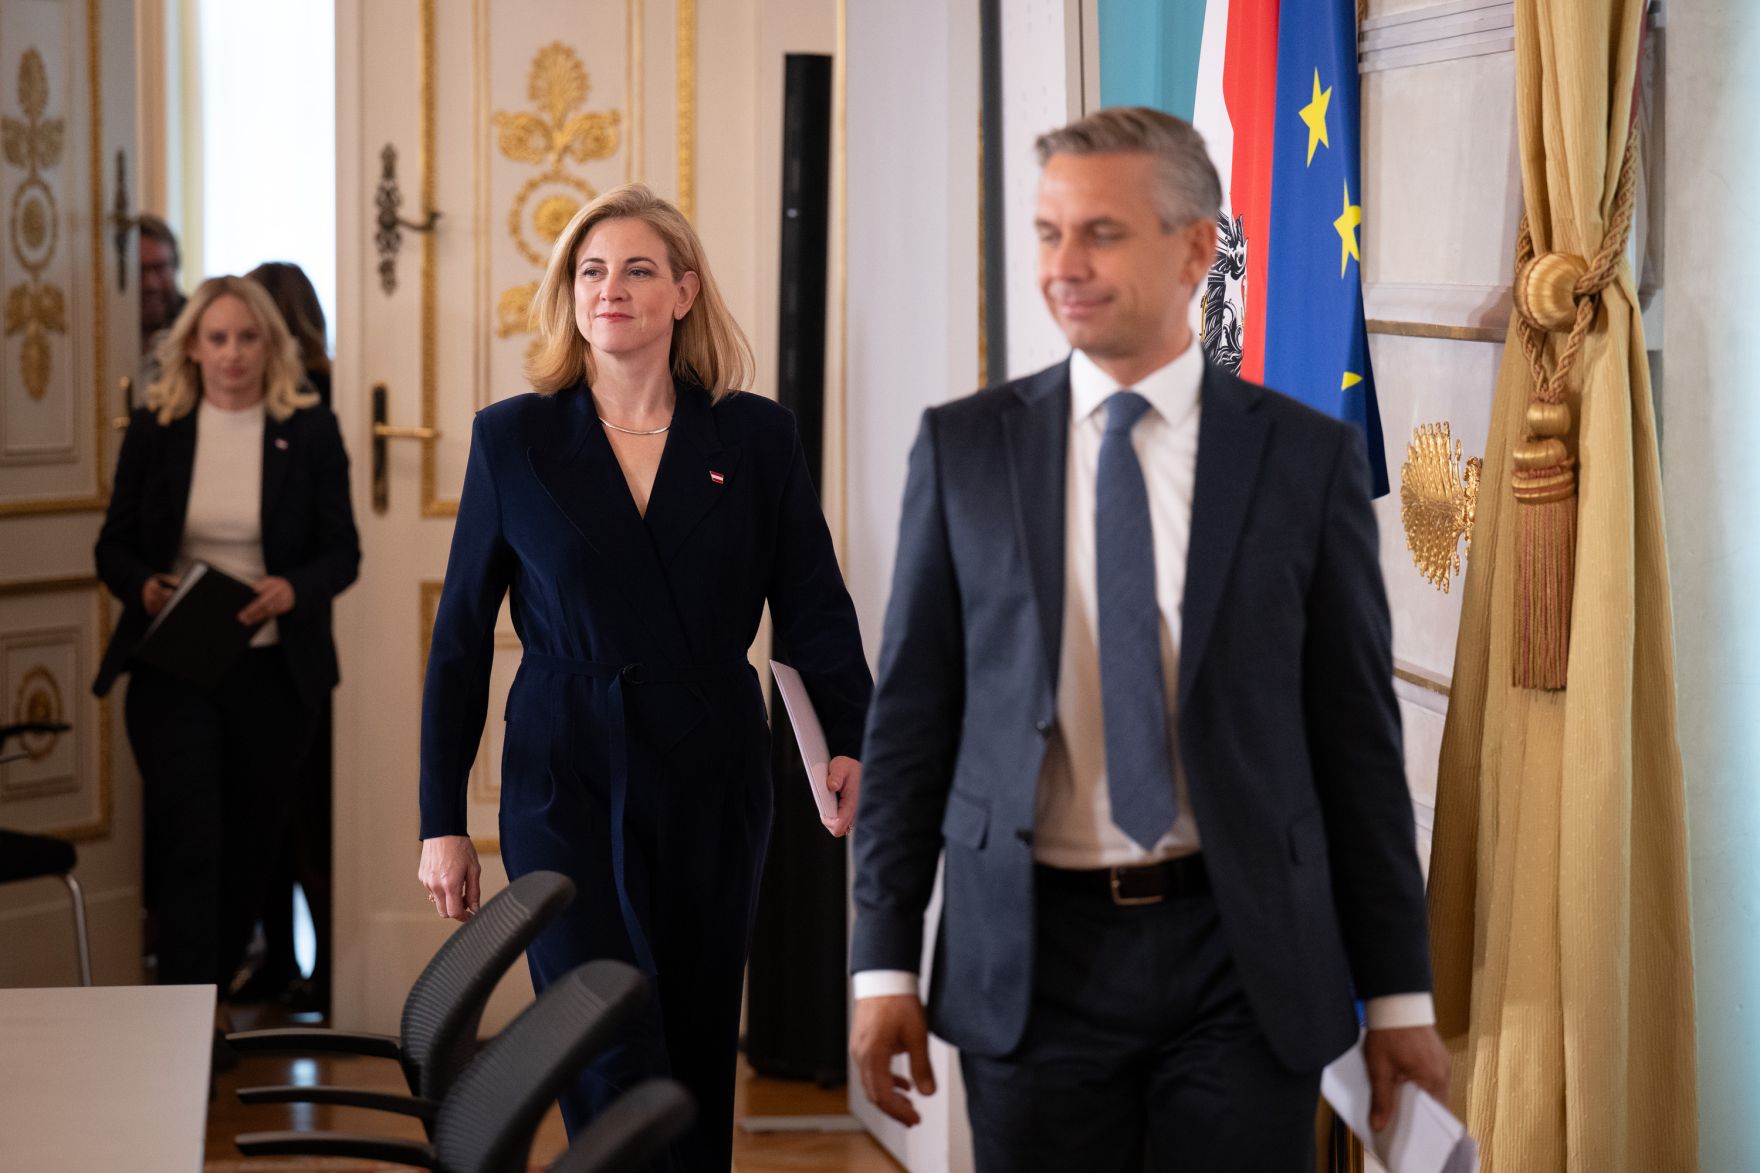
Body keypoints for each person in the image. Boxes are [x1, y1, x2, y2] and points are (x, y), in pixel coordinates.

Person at [849, 107, 1448, 1171]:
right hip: (1029, 961)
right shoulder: (964, 451)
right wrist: (881, 969)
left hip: (1242, 955)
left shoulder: (1302, 464)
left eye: (1101, 233)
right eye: (1046, 233)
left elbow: (1354, 745)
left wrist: (1396, 992)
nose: (1063, 266)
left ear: (1193, 247)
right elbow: (908, 733)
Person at [418, 182, 871, 1167]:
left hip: (712, 768)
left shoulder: (754, 437)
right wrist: (441, 820)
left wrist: (846, 738)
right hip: (562, 775)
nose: (609, 288)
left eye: (635, 269)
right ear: (567, 295)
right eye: (590, 271)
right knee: (600, 1045)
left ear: (682, 292)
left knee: (697, 1051)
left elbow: (812, 605)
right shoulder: (513, 438)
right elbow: (458, 641)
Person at [93, 276, 360, 1039]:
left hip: (275, 670)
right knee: (190, 840)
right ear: (192, 348)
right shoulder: (159, 427)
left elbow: (342, 552)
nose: (233, 354)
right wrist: (145, 586)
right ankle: (186, 1026)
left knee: (250, 843)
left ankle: (208, 1002)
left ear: (270, 346)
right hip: (173, 664)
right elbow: (111, 547)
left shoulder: (308, 430)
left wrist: (292, 588)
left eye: (247, 338)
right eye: (217, 338)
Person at [234, 261, 337, 1010]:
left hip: (305, 638)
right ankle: (284, 961)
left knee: (306, 817)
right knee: (268, 816)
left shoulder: (312, 408)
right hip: (242, 648)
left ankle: (322, 966)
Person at [138, 214, 186, 362]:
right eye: (139, 270)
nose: (150, 284)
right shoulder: (105, 335)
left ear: (176, 267)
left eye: (160, 268)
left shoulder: (198, 328)